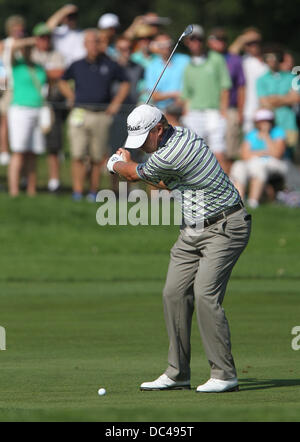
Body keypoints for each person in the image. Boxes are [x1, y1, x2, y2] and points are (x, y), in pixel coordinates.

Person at [106, 104, 251, 393]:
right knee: (173, 293)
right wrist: (131, 165)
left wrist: (116, 164)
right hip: (192, 230)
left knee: (205, 295)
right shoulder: (172, 141)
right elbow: (161, 182)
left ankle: (224, 374)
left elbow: (136, 175)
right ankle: (178, 373)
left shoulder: (175, 151)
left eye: (145, 139)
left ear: (159, 129)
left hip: (225, 227)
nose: (143, 146)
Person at [58, 29, 130, 201]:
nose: (94, 45)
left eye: (96, 42)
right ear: (85, 44)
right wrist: (71, 96)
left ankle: (92, 191)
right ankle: (77, 191)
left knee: (97, 157)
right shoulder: (77, 64)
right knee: (77, 154)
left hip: (101, 115)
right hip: (80, 113)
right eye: (90, 42)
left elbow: (125, 82)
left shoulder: (110, 64)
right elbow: (61, 81)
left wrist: (116, 103)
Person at [181, 25, 232, 173]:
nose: (195, 42)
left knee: (219, 152)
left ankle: (230, 191)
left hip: (214, 112)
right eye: (192, 39)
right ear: (187, 42)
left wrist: (223, 110)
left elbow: (225, 87)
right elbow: (187, 95)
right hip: (195, 113)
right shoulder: (188, 66)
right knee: (195, 155)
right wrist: (186, 113)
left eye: (199, 39)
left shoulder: (216, 59)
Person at [8, 44, 47, 196]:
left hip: (37, 109)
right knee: (18, 151)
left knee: (33, 152)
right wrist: (32, 40)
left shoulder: (38, 67)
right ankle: (14, 190)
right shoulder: (16, 65)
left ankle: (32, 189)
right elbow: (11, 48)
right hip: (20, 110)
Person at [31, 22, 66, 193]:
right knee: (30, 146)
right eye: (41, 38)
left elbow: (59, 73)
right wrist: (48, 72)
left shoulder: (56, 54)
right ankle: (28, 179)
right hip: (32, 103)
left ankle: (54, 182)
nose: (45, 41)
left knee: (54, 145)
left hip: (51, 104)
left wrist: (40, 71)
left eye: (47, 38)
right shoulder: (30, 54)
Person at [230, 109, 287, 208]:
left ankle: (253, 201)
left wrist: (266, 136)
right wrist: (262, 152)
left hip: (275, 164)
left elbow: (277, 154)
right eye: (262, 121)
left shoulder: (278, 132)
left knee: (257, 165)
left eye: (267, 120)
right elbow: (244, 155)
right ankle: (239, 202)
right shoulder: (251, 134)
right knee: (238, 166)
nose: (265, 123)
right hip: (253, 162)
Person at [207, 27, 246, 163]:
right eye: (217, 39)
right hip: (209, 109)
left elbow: (241, 86)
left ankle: (228, 181)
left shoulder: (234, 60)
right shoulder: (204, 60)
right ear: (210, 42)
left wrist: (241, 111)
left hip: (230, 109)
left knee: (229, 150)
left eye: (223, 40)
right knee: (208, 151)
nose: (220, 43)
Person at [257, 44, 300, 160]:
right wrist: (286, 98)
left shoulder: (291, 77)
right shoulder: (261, 80)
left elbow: (296, 98)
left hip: (289, 125)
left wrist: (273, 99)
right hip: (272, 127)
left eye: (274, 56)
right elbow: (264, 102)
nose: (271, 60)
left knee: (291, 160)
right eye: (268, 57)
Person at [229, 27, 268, 134]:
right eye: (249, 43)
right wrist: (244, 38)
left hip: (267, 109)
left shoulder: (268, 61)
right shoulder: (243, 60)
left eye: (256, 42)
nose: (253, 45)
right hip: (249, 111)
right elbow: (231, 52)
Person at [144, 33, 189, 111]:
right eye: (161, 45)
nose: (166, 47)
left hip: (185, 107)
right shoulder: (152, 66)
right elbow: (154, 95)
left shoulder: (185, 60)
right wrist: (175, 94)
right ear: (157, 46)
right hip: (162, 109)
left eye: (168, 43)